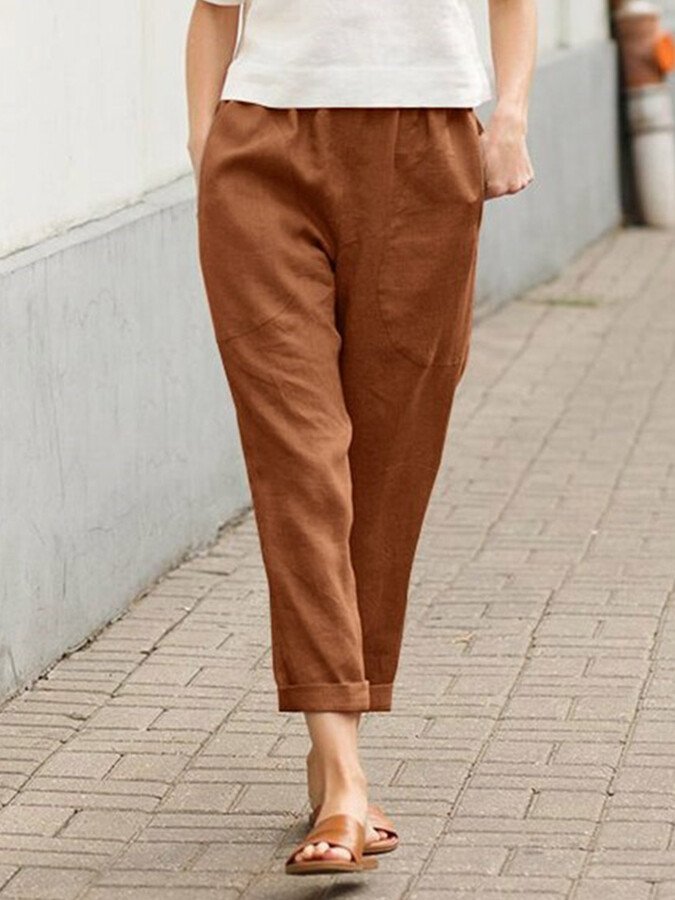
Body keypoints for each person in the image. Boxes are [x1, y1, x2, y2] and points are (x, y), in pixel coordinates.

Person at [186, 0, 536, 876]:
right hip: (261, 151)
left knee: (387, 466)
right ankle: (345, 781)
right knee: (301, 459)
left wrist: (510, 118)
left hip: (426, 150)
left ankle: (331, 743)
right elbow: (213, 11)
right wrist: (205, 152)